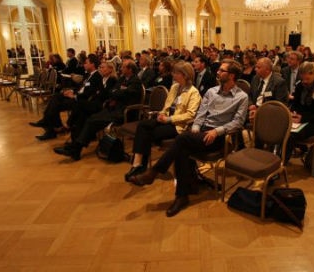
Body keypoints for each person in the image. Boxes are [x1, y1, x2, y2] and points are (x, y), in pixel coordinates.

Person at [128, 59, 249, 217]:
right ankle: (181, 195)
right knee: (182, 148)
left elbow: (237, 123)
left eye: (221, 71)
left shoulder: (242, 97)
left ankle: (155, 173)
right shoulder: (212, 91)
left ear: (231, 75)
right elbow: (200, 114)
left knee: (182, 140)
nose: (217, 73)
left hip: (220, 137)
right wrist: (196, 129)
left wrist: (216, 132)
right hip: (201, 132)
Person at [125, 61, 202, 181]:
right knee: (143, 125)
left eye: (176, 72)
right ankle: (138, 164)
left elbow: (190, 115)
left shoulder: (194, 92)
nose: (173, 74)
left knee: (146, 134)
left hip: (177, 125)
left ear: (185, 75)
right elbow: (167, 105)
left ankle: (138, 165)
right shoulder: (175, 87)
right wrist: (162, 114)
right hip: (165, 119)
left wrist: (169, 119)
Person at [53, 59, 143, 161]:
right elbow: (112, 92)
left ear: (130, 69)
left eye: (123, 67)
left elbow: (120, 93)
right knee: (88, 117)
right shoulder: (123, 79)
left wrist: (117, 92)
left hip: (124, 112)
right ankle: (75, 147)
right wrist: (118, 92)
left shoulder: (135, 81)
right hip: (113, 108)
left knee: (92, 120)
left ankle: (75, 149)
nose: (120, 68)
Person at [29, 54, 104, 140]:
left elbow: (89, 93)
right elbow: (81, 88)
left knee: (55, 105)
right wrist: (72, 91)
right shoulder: (88, 75)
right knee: (56, 97)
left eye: (86, 63)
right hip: (76, 96)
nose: (84, 65)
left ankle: (50, 128)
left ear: (92, 64)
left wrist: (75, 95)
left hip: (80, 101)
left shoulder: (97, 76)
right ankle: (51, 124)